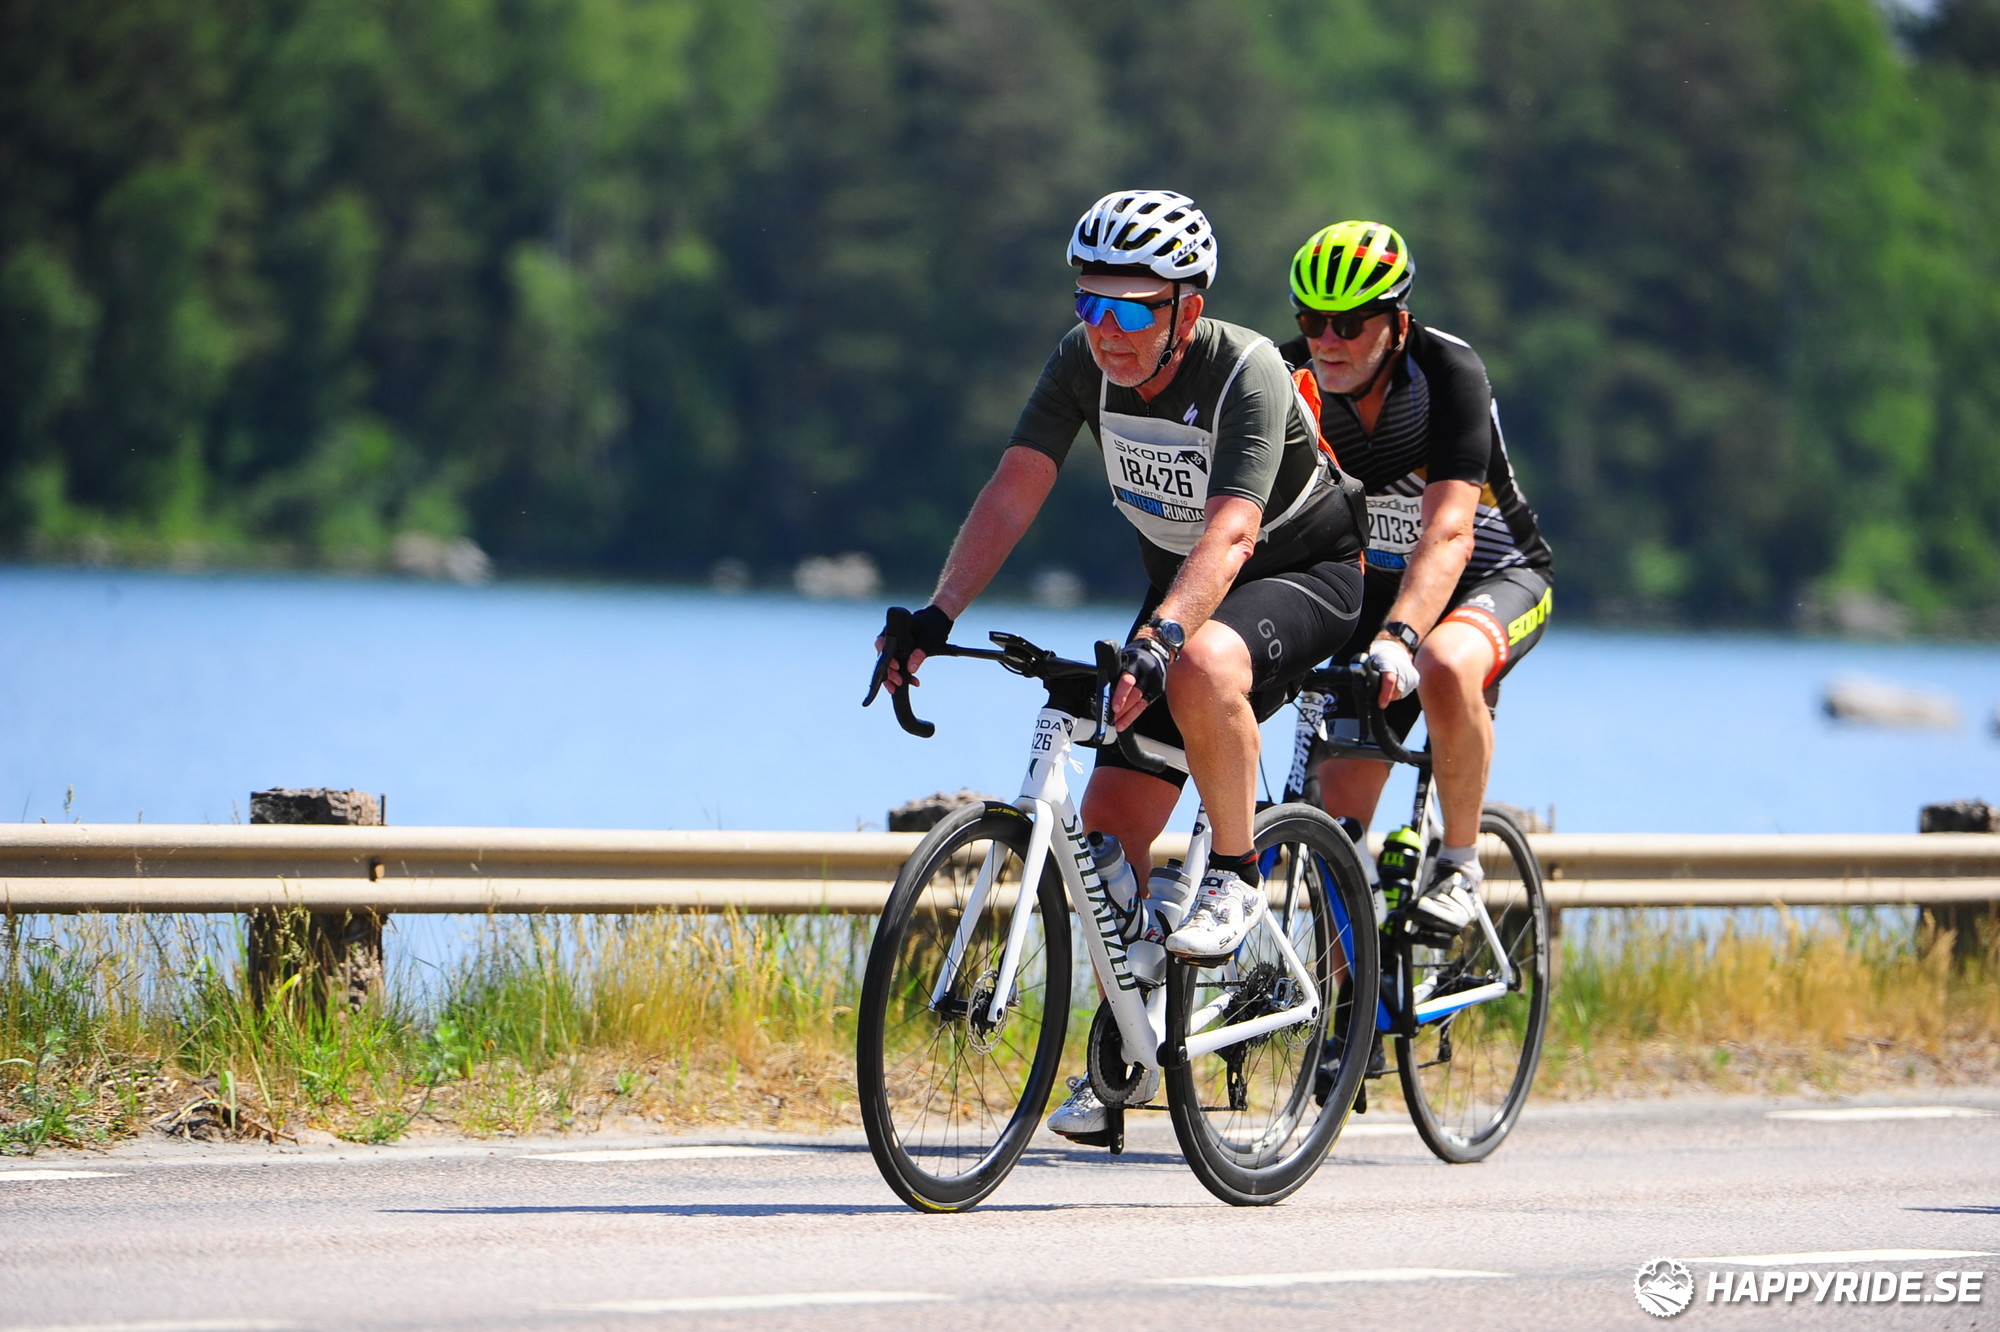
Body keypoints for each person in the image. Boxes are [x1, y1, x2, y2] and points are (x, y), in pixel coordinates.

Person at [877, 189, 1368, 1140]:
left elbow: (1233, 532)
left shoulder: (1248, 371)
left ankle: (1237, 871)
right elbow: (1015, 488)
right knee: (1105, 839)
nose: (1106, 329)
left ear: (1187, 309)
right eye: (1089, 303)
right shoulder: (1082, 364)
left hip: (1301, 573)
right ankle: (1131, 1049)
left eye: (1131, 311)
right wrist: (936, 615)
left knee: (1203, 666)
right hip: (1186, 593)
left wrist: (1164, 637)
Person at [1277, 220, 1554, 941]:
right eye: (1311, 321)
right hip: (1381, 591)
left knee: (1444, 663)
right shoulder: (1288, 380)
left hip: (1494, 574)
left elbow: (1450, 532)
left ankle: (1460, 867)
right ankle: (1353, 997)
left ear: (1396, 325)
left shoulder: (1448, 372)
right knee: (1338, 810)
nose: (1327, 340)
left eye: (1348, 324)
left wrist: (1400, 636)